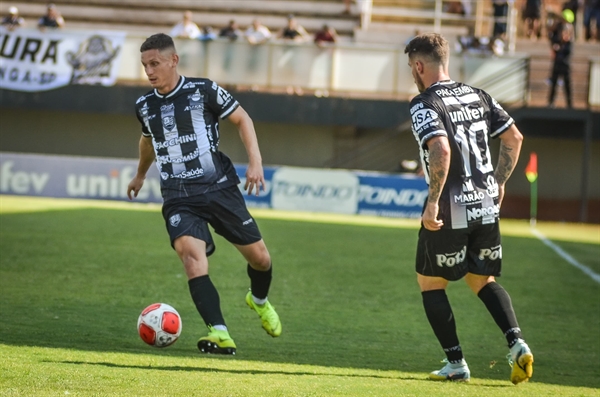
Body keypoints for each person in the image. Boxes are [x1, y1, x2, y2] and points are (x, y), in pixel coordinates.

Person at [127, 33, 282, 355]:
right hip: (178, 195)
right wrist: (141, 174)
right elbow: (147, 141)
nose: (149, 71)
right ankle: (219, 332)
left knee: (261, 259)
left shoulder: (204, 90)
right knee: (191, 258)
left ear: (173, 60)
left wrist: (255, 162)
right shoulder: (144, 105)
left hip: (218, 188)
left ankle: (258, 300)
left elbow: (242, 119)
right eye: (145, 65)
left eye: (155, 63)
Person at [403, 33, 533, 384]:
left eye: (411, 67)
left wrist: (432, 203)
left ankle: (456, 363)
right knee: (481, 279)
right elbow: (514, 138)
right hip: (487, 203)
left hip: (451, 207)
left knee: (431, 283)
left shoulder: (423, 102)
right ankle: (517, 343)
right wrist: (500, 182)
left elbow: (441, 150)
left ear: (419, 65)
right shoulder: (479, 95)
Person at [548, 22, 573, 107]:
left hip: (565, 67)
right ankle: (551, 102)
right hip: (557, 66)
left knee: (567, 87)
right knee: (553, 85)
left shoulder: (568, 43)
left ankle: (569, 104)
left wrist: (558, 49)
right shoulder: (556, 41)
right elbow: (550, 35)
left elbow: (566, 53)